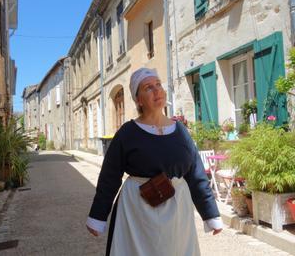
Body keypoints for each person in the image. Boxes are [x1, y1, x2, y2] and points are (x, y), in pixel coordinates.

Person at [86, 67, 223, 256]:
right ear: (138, 99)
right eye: (148, 87)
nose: (157, 90)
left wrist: (210, 214)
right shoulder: (127, 133)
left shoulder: (180, 131)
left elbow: (196, 175)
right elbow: (109, 177)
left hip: (177, 212)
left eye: (158, 84)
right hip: (136, 211)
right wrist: (98, 216)